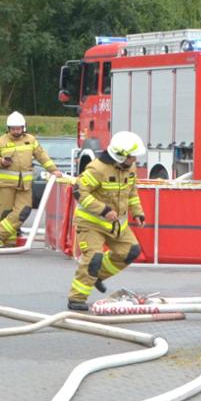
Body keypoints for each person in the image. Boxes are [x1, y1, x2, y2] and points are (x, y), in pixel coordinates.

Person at [66, 131, 146, 311]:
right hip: (92, 223)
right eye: (132, 156)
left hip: (116, 225)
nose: (134, 160)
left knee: (131, 251)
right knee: (94, 258)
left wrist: (138, 212)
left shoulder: (129, 168)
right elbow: (79, 192)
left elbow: (131, 192)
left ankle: (97, 276)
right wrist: (103, 209)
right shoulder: (97, 169)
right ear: (120, 155)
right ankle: (76, 298)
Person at [0, 112, 60, 246]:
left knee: (24, 211)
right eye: (13, 129)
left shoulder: (30, 140)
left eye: (19, 128)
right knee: (6, 214)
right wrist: (1, 161)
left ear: (23, 127)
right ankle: (8, 243)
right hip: (4, 185)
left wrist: (53, 170)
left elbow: (42, 156)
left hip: (24, 186)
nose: (16, 131)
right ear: (8, 128)